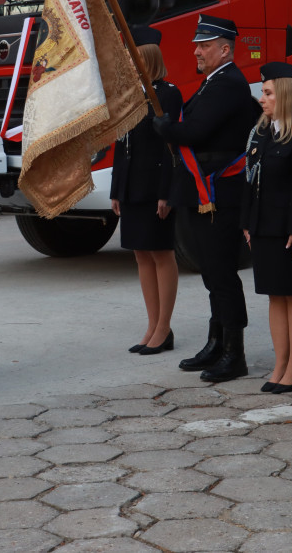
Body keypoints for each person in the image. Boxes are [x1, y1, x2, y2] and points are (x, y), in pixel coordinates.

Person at [153, 14, 261, 382]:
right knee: (212, 272)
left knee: (222, 273)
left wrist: (168, 128)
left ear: (225, 49)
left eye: (204, 45)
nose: (196, 51)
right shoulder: (214, 81)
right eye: (197, 44)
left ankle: (235, 352)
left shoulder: (229, 82)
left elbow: (197, 131)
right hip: (204, 192)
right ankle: (216, 342)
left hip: (220, 194)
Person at [241, 62, 292, 393]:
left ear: (286, 95)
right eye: (263, 92)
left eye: (269, 92)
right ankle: (280, 363)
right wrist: (247, 223)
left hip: (291, 230)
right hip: (264, 227)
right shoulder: (261, 132)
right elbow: (248, 181)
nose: (262, 97)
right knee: (275, 295)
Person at [110, 27, 184, 356]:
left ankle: (164, 328)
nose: (128, 60)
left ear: (148, 57)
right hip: (131, 187)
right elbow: (120, 144)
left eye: (134, 55)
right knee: (140, 254)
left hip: (155, 187)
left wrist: (166, 192)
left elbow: (171, 149)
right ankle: (152, 324)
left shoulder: (167, 94)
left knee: (161, 253)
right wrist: (116, 189)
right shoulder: (128, 93)